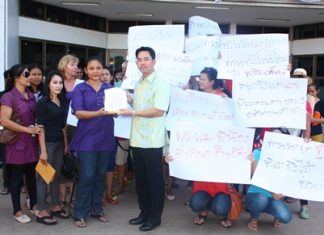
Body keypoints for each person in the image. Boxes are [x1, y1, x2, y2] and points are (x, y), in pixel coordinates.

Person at [119, 47, 171, 232]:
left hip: (152, 140)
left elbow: (158, 110)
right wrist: (129, 99)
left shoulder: (162, 82)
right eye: (139, 59)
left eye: (146, 59)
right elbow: (141, 105)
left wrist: (132, 111)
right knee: (141, 181)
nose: (142, 62)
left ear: (154, 61)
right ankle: (144, 213)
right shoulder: (139, 82)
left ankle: (155, 218)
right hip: (137, 139)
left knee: (155, 181)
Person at [69, 56, 116, 228]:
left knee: (99, 175)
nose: (96, 71)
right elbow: (79, 113)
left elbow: (115, 112)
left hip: (106, 136)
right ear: (86, 70)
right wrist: (99, 113)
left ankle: (97, 209)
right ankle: (80, 213)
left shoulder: (110, 89)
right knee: (87, 176)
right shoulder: (80, 89)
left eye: (98, 68)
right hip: (87, 138)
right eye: (92, 68)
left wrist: (116, 110)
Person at [0, 64, 44, 223]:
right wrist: (27, 130)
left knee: (31, 175)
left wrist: (34, 128)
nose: (30, 76)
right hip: (16, 142)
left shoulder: (31, 95)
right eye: (26, 74)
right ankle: (16, 211)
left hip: (30, 142)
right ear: (17, 77)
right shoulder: (8, 97)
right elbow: (4, 121)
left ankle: (33, 204)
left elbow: (33, 117)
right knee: (16, 177)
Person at [35, 70, 69, 225]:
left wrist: (66, 144)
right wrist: (42, 151)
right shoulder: (43, 102)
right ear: (48, 84)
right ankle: (41, 211)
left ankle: (55, 206)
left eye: (60, 82)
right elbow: (40, 127)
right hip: (46, 145)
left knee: (55, 176)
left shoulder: (63, 101)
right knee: (43, 178)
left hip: (59, 144)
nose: (58, 85)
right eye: (55, 82)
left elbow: (63, 127)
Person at [246, 147, 292, 231]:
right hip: (256, 194)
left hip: (273, 198)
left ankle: (276, 216)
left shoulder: (286, 157)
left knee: (286, 217)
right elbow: (254, 175)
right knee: (261, 200)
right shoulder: (258, 152)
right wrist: (272, 192)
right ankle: (253, 218)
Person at [57, 54, 79, 208]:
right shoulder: (56, 82)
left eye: (77, 65)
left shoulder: (81, 83)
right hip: (59, 126)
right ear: (64, 66)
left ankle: (74, 196)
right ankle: (62, 196)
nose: (76, 68)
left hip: (78, 126)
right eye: (73, 65)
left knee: (76, 161)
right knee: (62, 160)